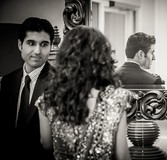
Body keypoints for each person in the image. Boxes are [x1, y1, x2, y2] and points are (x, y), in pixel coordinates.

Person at [35, 26, 132, 160]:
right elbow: (122, 155)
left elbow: (46, 144)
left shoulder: (47, 100)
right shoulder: (116, 99)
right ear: (100, 58)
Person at [0, 17, 55, 160]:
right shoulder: (7, 81)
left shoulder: (61, 82)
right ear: (20, 44)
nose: (37, 51)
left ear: (51, 47)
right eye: (31, 43)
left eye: (44, 44)